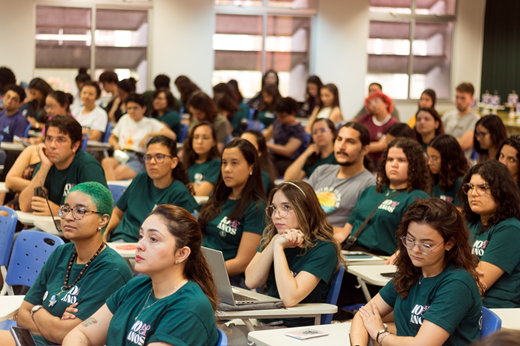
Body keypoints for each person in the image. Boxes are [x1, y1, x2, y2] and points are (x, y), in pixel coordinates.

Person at [63, 205, 220, 346]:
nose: (139, 245)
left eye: (153, 239)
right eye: (140, 236)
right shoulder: (135, 286)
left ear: (181, 254)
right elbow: (81, 334)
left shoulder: (189, 307)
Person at [0, 182, 133, 346]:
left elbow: (65, 335)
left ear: (103, 220)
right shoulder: (61, 252)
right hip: (33, 340)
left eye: (80, 211)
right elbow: (22, 315)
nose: (69, 217)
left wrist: (37, 311)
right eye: (66, 209)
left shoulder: (111, 269)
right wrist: (48, 319)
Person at [350, 198, 483, 346]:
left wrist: (380, 335)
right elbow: (363, 315)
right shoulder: (412, 272)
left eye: (426, 244)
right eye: (410, 240)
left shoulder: (457, 284)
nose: (415, 250)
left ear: (449, 243)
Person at [245, 181, 344, 326]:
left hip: (295, 327)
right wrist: (274, 242)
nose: (277, 215)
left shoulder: (324, 248)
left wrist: (278, 248)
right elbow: (251, 281)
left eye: (286, 207)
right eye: (274, 208)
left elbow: (289, 299)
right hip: (267, 317)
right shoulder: (274, 237)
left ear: (307, 211)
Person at [335, 137, 430, 255]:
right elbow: (345, 232)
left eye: (401, 160)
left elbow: (415, 240)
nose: (393, 165)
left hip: (380, 258)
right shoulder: (370, 190)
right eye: (390, 159)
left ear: (414, 166)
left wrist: (399, 256)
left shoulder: (417, 198)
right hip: (350, 252)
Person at [104, 136, 199, 243]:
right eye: (148, 157)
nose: (152, 162)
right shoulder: (140, 179)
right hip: (118, 241)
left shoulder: (179, 193)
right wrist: (104, 232)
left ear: (174, 162)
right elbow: (117, 213)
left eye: (159, 157)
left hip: (147, 249)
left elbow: (179, 236)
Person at [198, 139, 267, 286]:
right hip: (199, 267)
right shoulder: (217, 197)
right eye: (224, 163)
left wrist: (202, 272)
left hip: (226, 278)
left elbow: (242, 263)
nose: (227, 169)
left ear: (251, 168)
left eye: (234, 163)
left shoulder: (256, 208)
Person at [459, 160, 520, 308]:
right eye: (471, 187)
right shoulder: (470, 223)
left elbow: (477, 284)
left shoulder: (511, 229)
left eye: (483, 187)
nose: (474, 193)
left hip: (494, 310)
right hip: (465, 300)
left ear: (502, 191)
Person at [19, 115, 107, 215]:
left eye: (61, 140)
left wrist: (59, 211)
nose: (52, 145)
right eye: (49, 138)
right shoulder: (46, 164)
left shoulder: (88, 166)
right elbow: (25, 205)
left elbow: (101, 211)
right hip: (51, 227)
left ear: (75, 145)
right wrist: (44, 167)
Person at [308, 122, 376, 231]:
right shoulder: (322, 171)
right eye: (339, 139)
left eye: (350, 142)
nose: (342, 146)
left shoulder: (369, 184)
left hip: (334, 242)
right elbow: (300, 206)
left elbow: (356, 229)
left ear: (365, 150)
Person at [102, 93, 176, 181]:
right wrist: (115, 145)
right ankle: (112, 191)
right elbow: (112, 138)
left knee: (114, 173)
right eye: (129, 108)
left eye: (135, 108)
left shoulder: (150, 122)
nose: (131, 111)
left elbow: (172, 136)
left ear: (143, 109)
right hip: (121, 154)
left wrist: (149, 134)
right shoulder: (125, 119)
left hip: (137, 158)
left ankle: (110, 192)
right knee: (106, 162)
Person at [264, 97, 307, 176]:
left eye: (283, 116)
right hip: (274, 155)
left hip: (289, 160)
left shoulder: (298, 129)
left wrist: (267, 145)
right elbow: (266, 137)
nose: (280, 119)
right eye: (278, 116)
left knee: (271, 167)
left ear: (293, 113)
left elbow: (287, 151)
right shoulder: (278, 122)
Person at [357, 91, 399, 170]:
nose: (373, 105)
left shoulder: (393, 123)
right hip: (363, 160)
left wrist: (358, 147)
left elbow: (381, 145)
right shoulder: (364, 119)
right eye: (369, 103)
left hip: (382, 162)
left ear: (386, 103)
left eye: (376, 101)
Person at [442, 82, 480, 160]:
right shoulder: (448, 115)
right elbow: (436, 135)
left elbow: (464, 143)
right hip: (443, 158)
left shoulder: (475, 119)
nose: (459, 101)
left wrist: (442, 139)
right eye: (457, 97)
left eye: (463, 98)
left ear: (472, 99)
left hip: (461, 161)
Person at [182, 122, 221, 196]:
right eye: (196, 137)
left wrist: (187, 186)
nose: (199, 142)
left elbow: (201, 193)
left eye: (205, 138)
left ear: (214, 142)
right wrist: (195, 186)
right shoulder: (186, 162)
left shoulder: (216, 164)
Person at [428, 134, 468, 205]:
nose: (429, 162)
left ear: (448, 159)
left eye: (434, 158)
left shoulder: (460, 182)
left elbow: (460, 212)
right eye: (428, 157)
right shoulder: (433, 177)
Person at [240, 129, 278, 196]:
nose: (241, 148)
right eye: (239, 143)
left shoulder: (263, 176)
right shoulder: (229, 168)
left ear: (259, 152)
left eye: (248, 145)